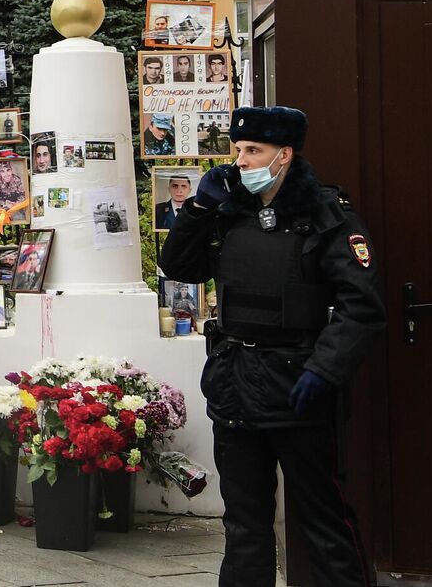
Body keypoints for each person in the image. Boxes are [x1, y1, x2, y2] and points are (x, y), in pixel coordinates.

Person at [157, 106, 383, 586]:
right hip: (234, 381)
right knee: (243, 523)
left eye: (253, 150)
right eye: (237, 150)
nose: (240, 161)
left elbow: (361, 307)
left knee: (324, 520)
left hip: (298, 386)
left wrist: (323, 371)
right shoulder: (228, 211)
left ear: (284, 155)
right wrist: (199, 209)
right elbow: (179, 266)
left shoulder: (327, 215)